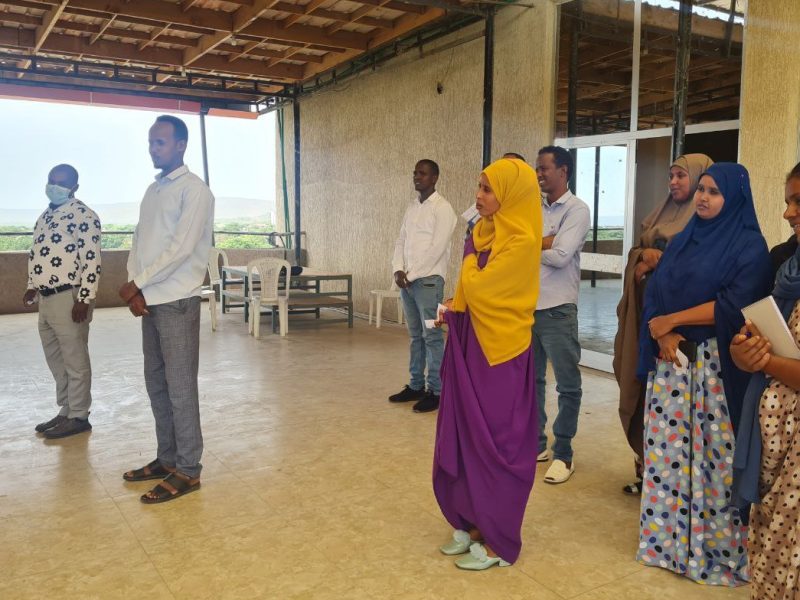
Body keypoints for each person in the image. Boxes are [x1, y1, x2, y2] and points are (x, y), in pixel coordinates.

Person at [636, 162, 772, 585]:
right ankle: (669, 545)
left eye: (714, 192)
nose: (703, 198)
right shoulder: (686, 237)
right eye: (702, 190)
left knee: (715, 459)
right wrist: (664, 332)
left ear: (733, 198)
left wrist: (669, 321)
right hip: (673, 366)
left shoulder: (750, 246)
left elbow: (732, 306)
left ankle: (717, 550)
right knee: (669, 459)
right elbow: (657, 288)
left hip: (714, 370)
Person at [433, 157, 541, 570]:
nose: (478, 196)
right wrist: (454, 303)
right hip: (472, 342)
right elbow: (468, 291)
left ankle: (499, 541)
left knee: (497, 441)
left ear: (511, 194)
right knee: (467, 436)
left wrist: (467, 261)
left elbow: (480, 291)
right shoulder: (483, 231)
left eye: (487, 189)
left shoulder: (523, 239)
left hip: (502, 353)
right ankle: (475, 523)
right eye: (479, 187)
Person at [120, 115, 214, 504]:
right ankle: (168, 458)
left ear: (180, 146)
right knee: (157, 384)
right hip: (150, 302)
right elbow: (139, 242)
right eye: (150, 142)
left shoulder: (195, 191)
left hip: (176, 301)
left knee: (180, 388)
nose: (152, 149)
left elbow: (180, 250)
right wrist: (134, 287)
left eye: (159, 143)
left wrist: (138, 284)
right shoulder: (152, 190)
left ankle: (188, 470)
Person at [614, 153, 714, 495]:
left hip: (680, 330)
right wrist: (641, 257)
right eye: (670, 176)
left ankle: (674, 484)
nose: (673, 182)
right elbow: (637, 252)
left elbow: (700, 271)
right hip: (645, 321)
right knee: (642, 392)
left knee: (676, 404)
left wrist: (662, 261)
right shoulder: (659, 215)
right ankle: (647, 471)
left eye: (681, 176)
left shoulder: (705, 225)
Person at [732, 161, 800, 599]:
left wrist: (766, 363)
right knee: (772, 548)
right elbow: (756, 331)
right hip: (775, 445)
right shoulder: (785, 263)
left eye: (799, 201)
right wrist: (744, 352)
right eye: (788, 200)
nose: (789, 212)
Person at [26, 164, 101, 439]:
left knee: (75, 358)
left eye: (61, 182)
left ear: (75, 188)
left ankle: (79, 415)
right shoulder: (45, 216)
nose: (54, 186)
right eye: (51, 180)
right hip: (45, 298)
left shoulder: (84, 215)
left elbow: (91, 259)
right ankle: (66, 410)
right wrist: (31, 286)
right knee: (56, 358)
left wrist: (84, 297)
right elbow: (36, 253)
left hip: (70, 297)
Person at [533, 145, 590, 484]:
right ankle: (537, 443)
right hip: (528, 307)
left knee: (567, 385)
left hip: (558, 309)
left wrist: (533, 244)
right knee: (532, 381)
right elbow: (522, 246)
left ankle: (564, 453)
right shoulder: (533, 208)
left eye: (544, 168)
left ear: (563, 171)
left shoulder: (577, 209)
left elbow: (561, 256)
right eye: (537, 169)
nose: (539, 174)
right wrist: (543, 241)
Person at [389, 159, 457, 413]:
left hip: (428, 284)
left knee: (432, 336)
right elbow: (401, 241)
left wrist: (412, 274)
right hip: (407, 283)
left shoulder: (443, 208)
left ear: (435, 177)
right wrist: (397, 269)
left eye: (423, 173)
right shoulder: (412, 207)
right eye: (415, 172)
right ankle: (416, 385)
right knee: (415, 336)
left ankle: (436, 391)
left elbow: (437, 248)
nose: (417, 176)